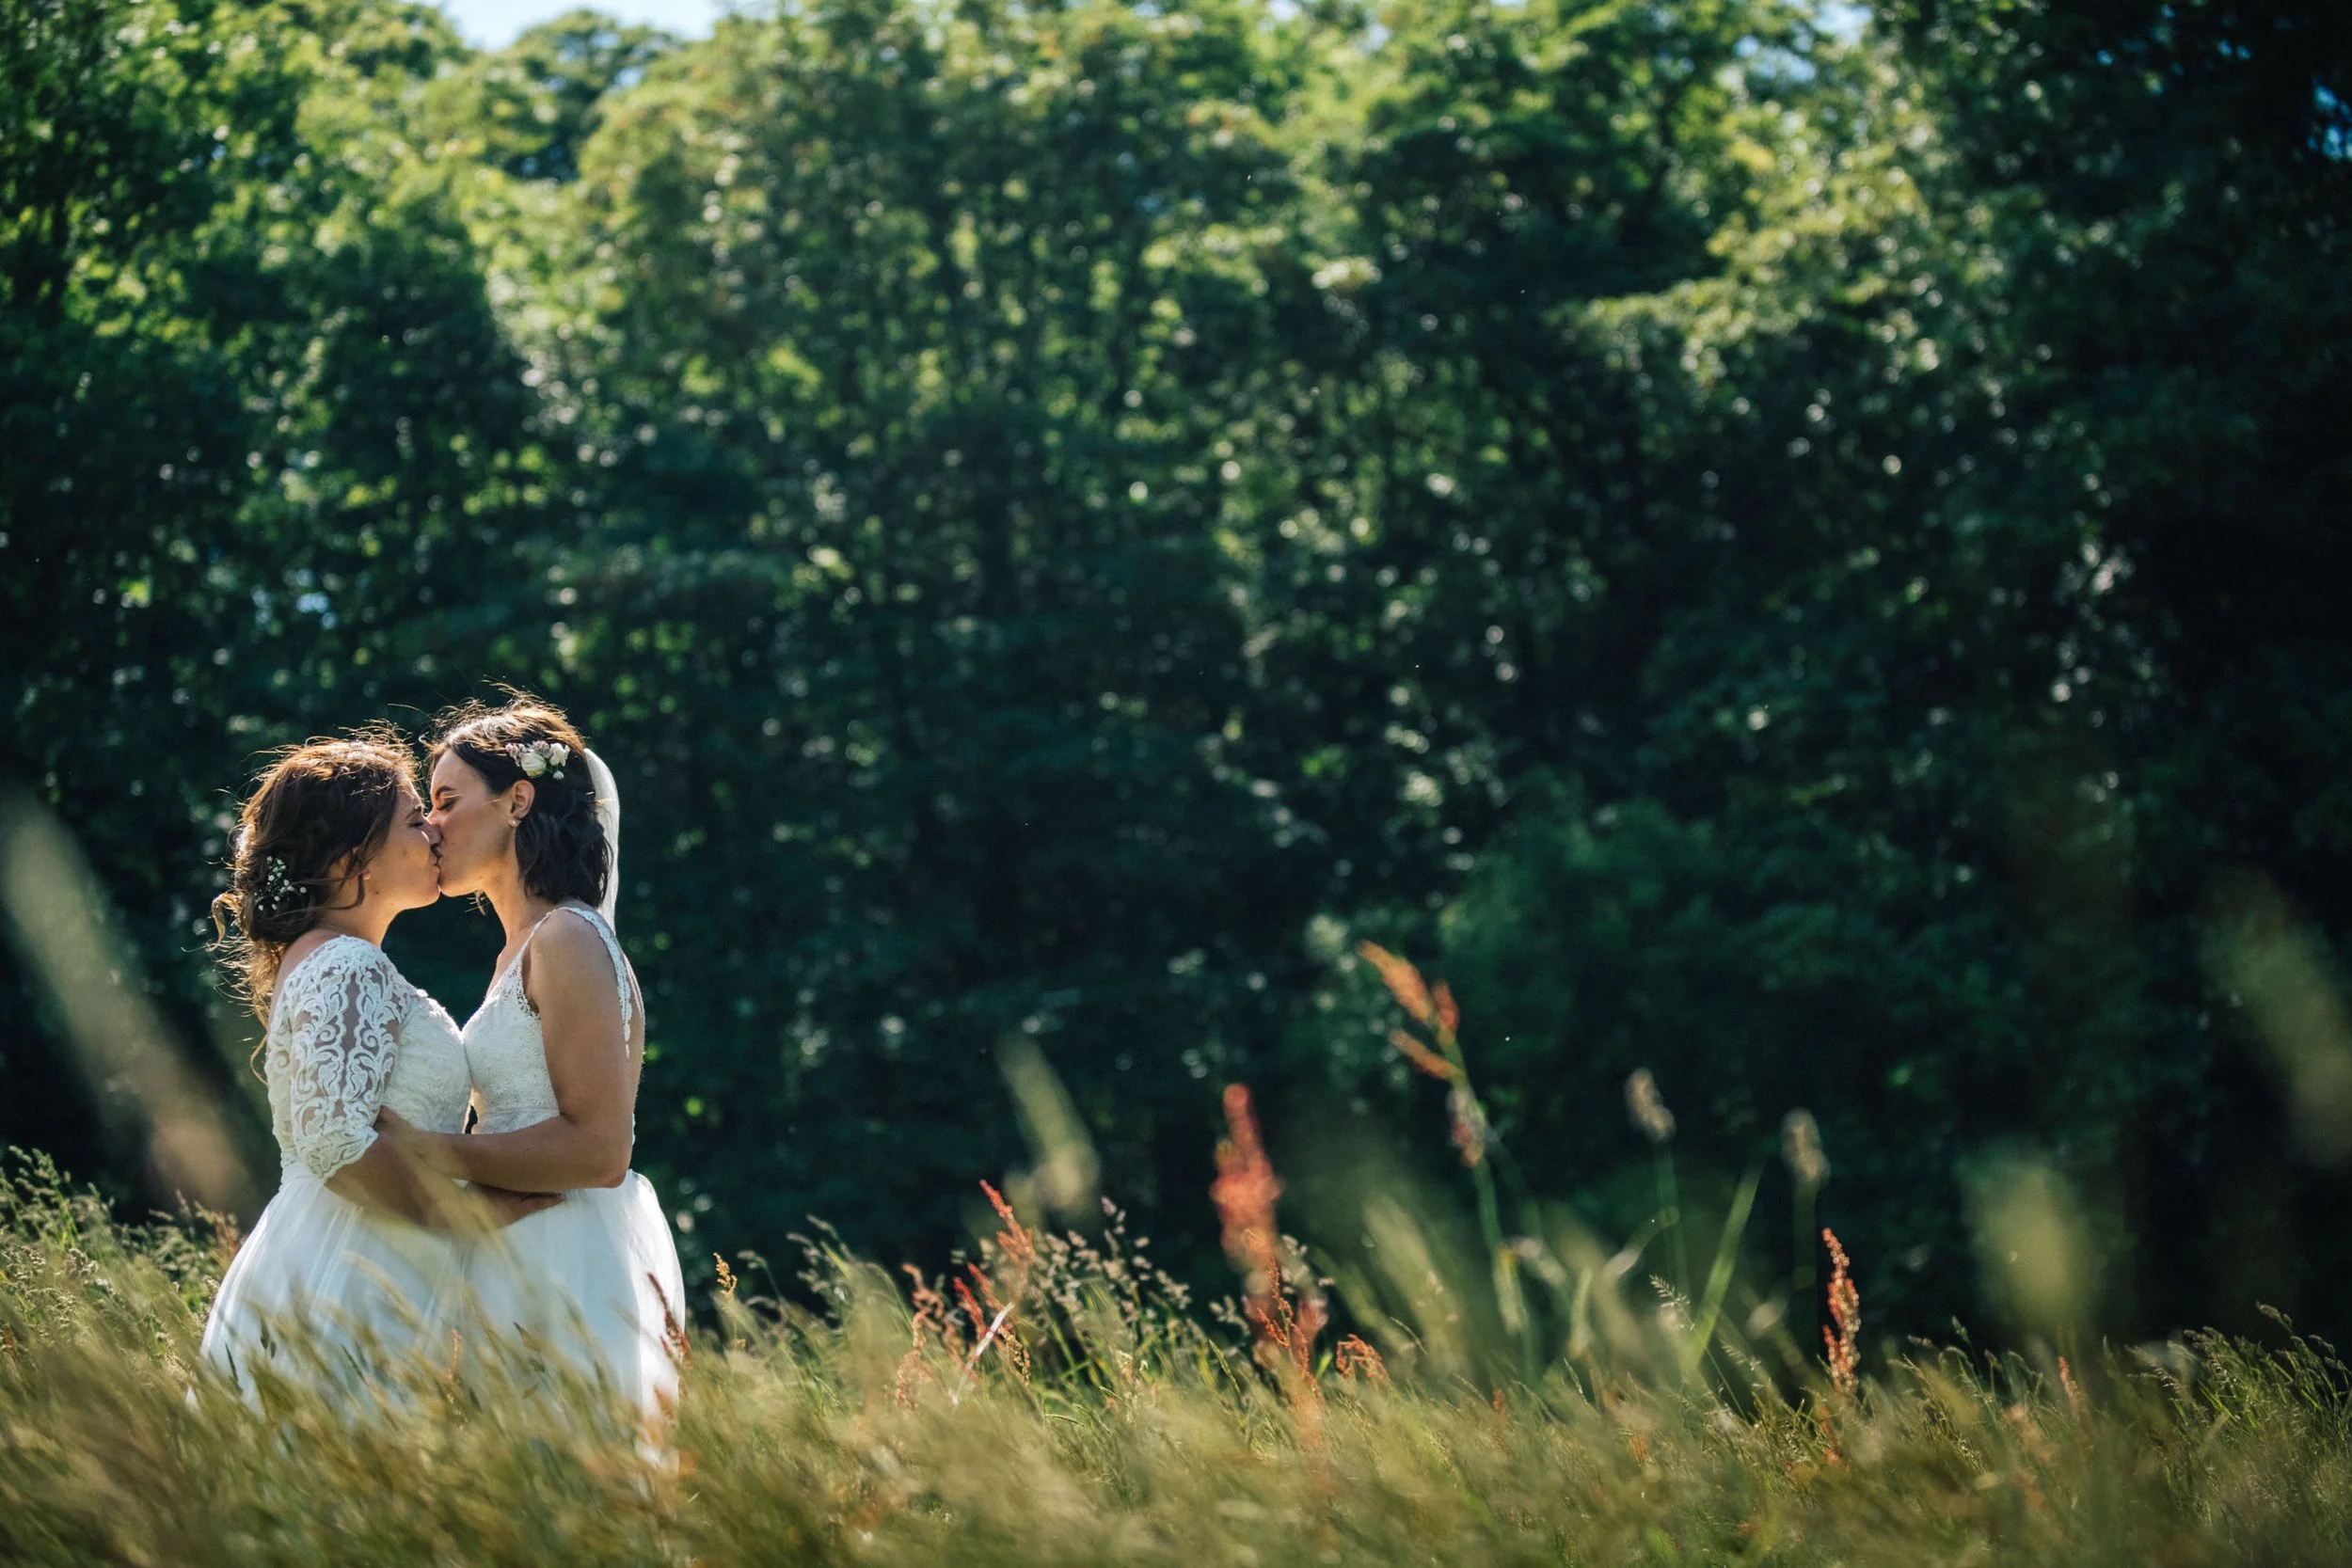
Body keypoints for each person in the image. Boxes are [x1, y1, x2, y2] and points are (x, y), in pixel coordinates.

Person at [201, 731, 559, 1400]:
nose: (432, 833)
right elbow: (335, 1140)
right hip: (343, 1275)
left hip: (357, 1258)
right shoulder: (346, 963)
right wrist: (468, 1215)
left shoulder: (333, 957)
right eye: (413, 818)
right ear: (352, 856)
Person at [376, 696, 686, 1428]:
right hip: (518, 1249)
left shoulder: (568, 939)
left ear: (518, 799)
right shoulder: (519, 949)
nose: (431, 826)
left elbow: (601, 1147)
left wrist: (430, 1153)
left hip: (567, 1254)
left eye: (447, 801)